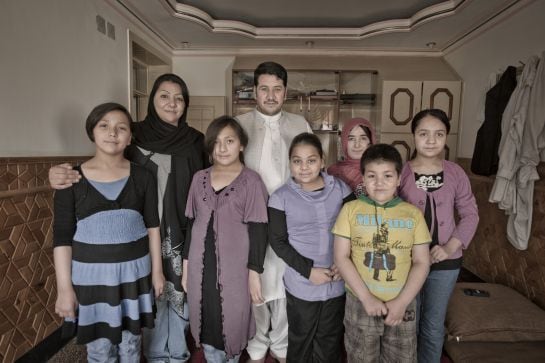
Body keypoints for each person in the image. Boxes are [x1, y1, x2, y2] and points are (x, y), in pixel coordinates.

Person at [49, 74, 206, 363]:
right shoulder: (136, 135)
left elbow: (205, 184)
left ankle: (178, 352)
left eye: (179, 97)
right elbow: (107, 162)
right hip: (137, 239)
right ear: (151, 100)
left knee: (181, 292)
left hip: (180, 231)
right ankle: (157, 353)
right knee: (145, 305)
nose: (172, 103)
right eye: (164, 96)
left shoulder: (195, 141)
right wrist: (58, 173)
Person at [53, 102, 165, 362]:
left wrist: (157, 273)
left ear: (129, 138)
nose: (112, 133)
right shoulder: (71, 179)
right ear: (92, 131)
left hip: (134, 277)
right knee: (100, 350)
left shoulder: (144, 176)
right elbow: (61, 238)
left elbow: (153, 227)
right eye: (104, 125)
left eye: (121, 128)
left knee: (131, 347)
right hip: (92, 283)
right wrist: (64, 288)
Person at [235, 61, 312, 363]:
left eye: (276, 89)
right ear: (254, 91)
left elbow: (311, 167)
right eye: (264, 89)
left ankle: (279, 340)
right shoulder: (238, 123)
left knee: (283, 279)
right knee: (253, 276)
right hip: (247, 215)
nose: (270, 95)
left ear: (285, 92)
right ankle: (257, 339)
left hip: (288, 215)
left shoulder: (300, 124)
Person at [333, 143, 431, 363]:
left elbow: (422, 262)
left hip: (402, 304)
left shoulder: (413, 215)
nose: (379, 183)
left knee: (402, 358)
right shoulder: (350, 211)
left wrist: (402, 301)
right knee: (360, 357)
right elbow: (341, 257)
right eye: (372, 176)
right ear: (363, 178)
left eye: (387, 175)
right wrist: (367, 298)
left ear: (398, 179)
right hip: (360, 302)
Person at [182, 116, 269, 362]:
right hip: (201, 268)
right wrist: (187, 266)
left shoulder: (251, 181)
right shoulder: (199, 178)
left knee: (233, 320)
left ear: (241, 145)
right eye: (216, 142)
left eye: (229, 141)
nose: (222, 148)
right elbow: (192, 223)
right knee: (206, 321)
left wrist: (254, 273)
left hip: (236, 270)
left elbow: (259, 230)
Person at [398, 109, 479, 363]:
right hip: (409, 262)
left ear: (446, 137)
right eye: (424, 134)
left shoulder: (456, 173)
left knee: (432, 326)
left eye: (438, 134)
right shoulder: (401, 173)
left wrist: (449, 247)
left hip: (447, 263)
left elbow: (470, 214)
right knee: (407, 323)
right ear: (413, 136)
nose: (431, 140)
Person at [268, 133, 353, 363]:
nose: (304, 167)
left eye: (311, 160)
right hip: (302, 285)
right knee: (301, 339)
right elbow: (278, 242)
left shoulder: (341, 190)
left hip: (337, 280)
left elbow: (355, 230)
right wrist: (309, 271)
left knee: (330, 340)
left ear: (322, 161)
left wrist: (343, 263)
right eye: (297, 161)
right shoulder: (280, 197)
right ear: (290, 163)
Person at [327, 118, 376, 197]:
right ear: (344, 142)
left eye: (363, 138)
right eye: (351, 139)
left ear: (371, 142)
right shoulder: (333, 173)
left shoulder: (382, 171)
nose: (357, 145)